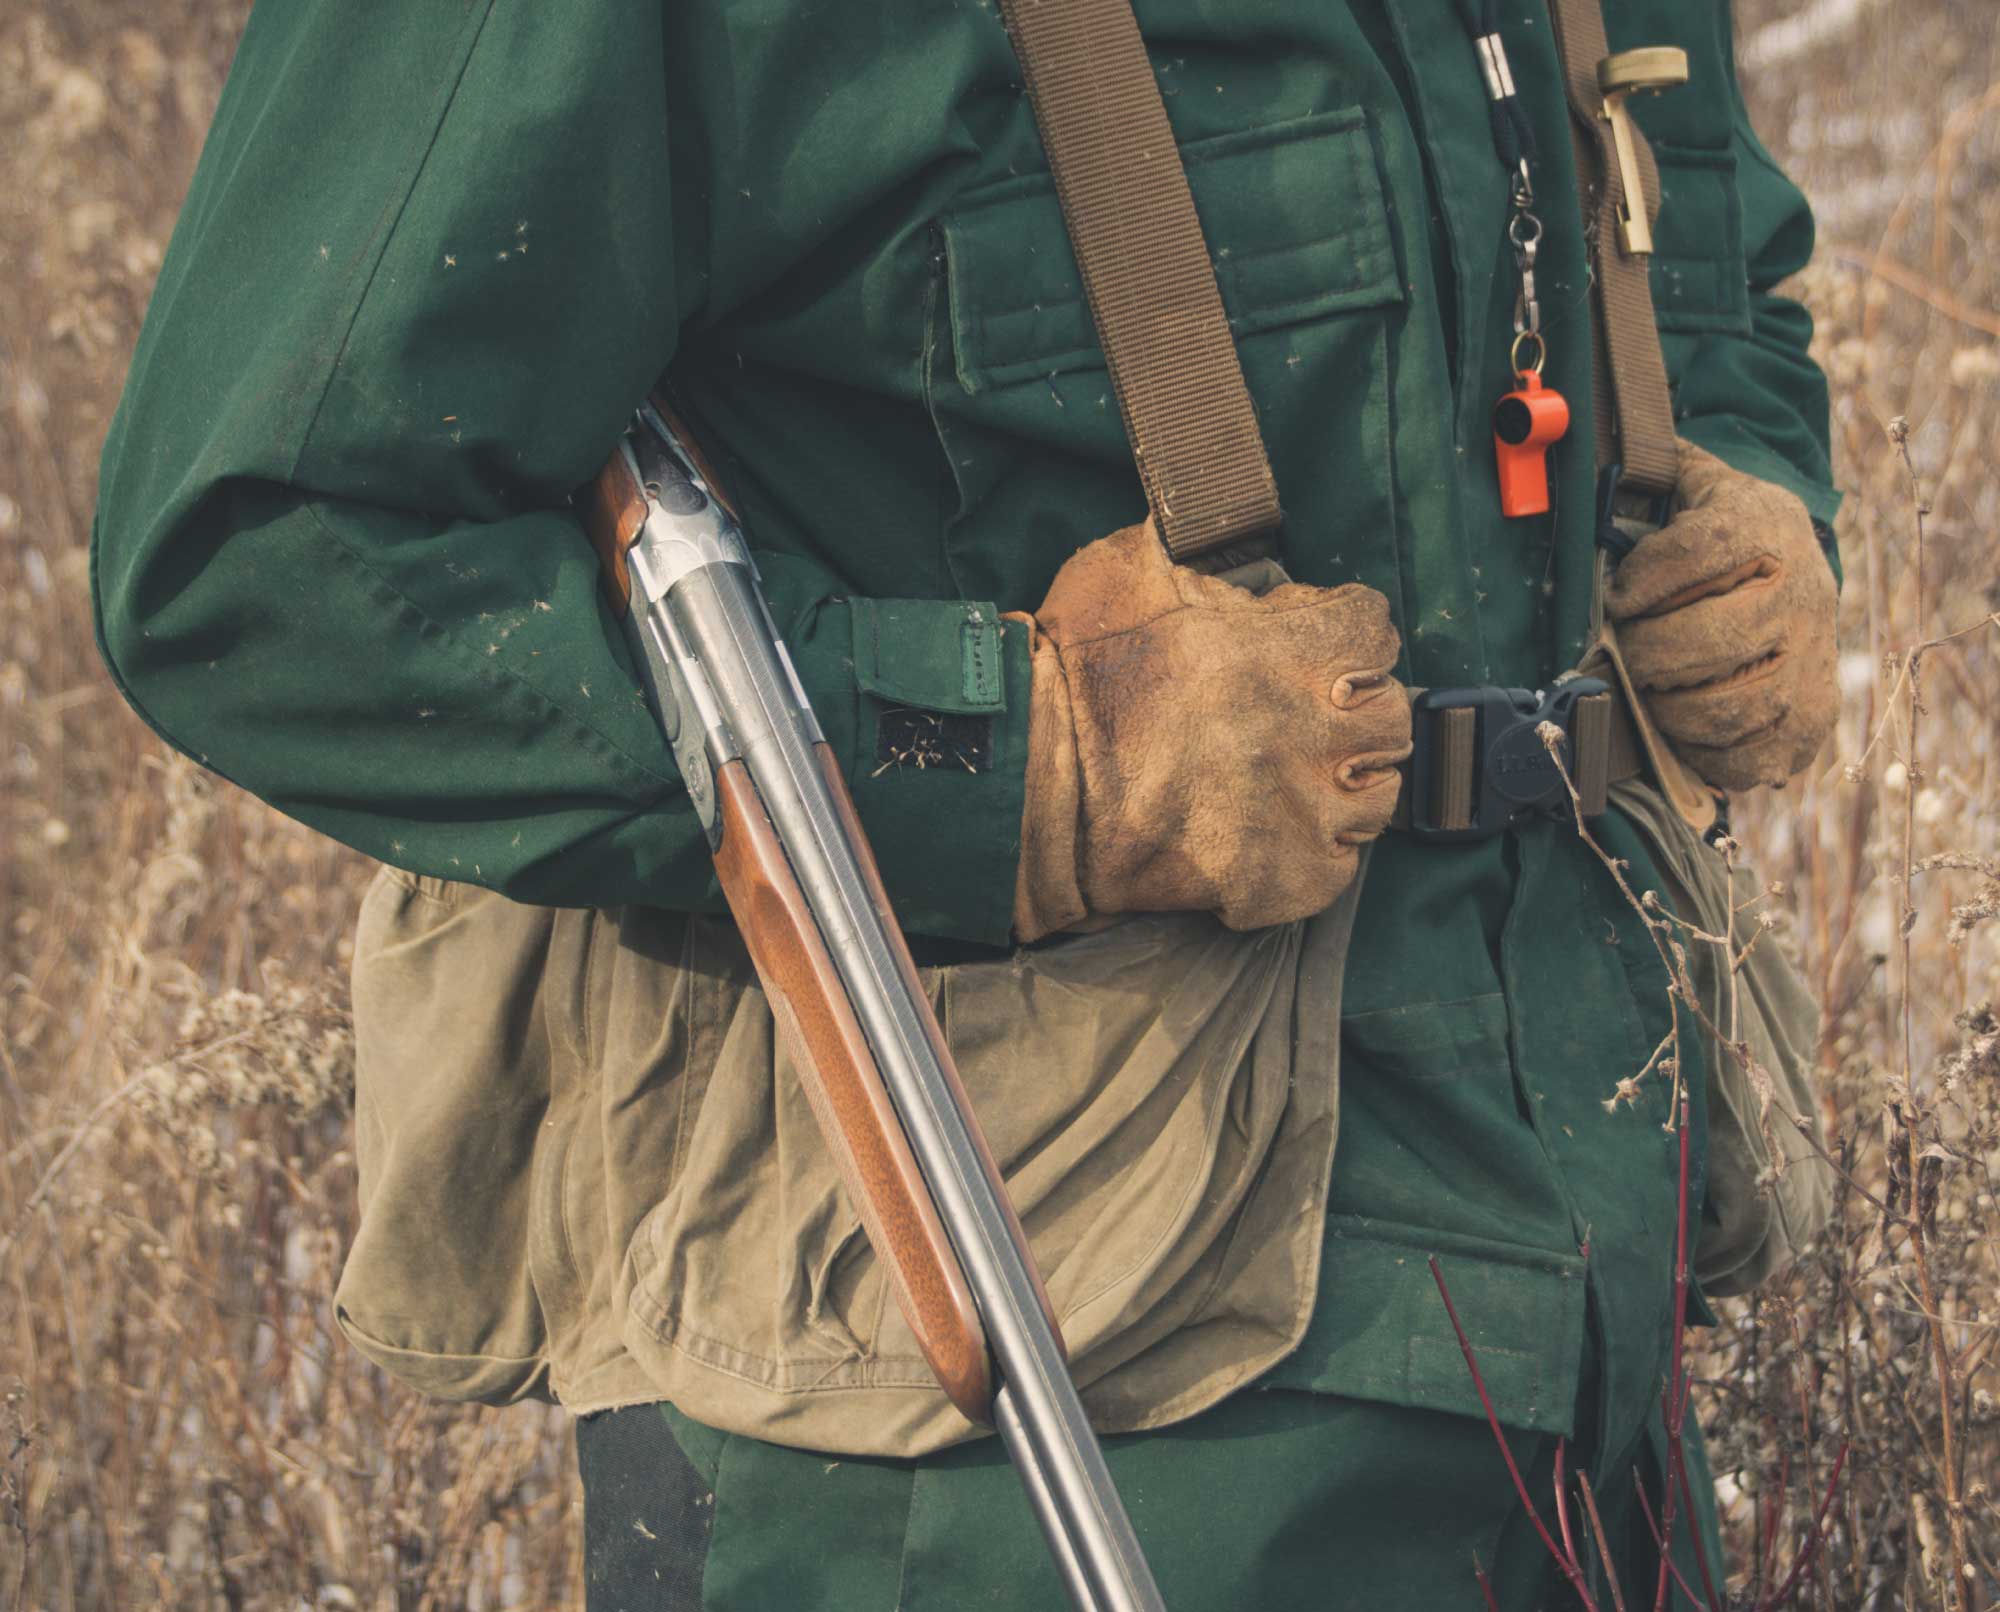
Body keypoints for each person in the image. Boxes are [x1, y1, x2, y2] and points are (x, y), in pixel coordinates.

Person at [92, 1, 1841, 1606]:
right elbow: (262, 556)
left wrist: (1754, 487)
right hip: (994, 1413)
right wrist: (1035, 760)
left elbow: (1691, 234)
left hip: (1594, 1301)